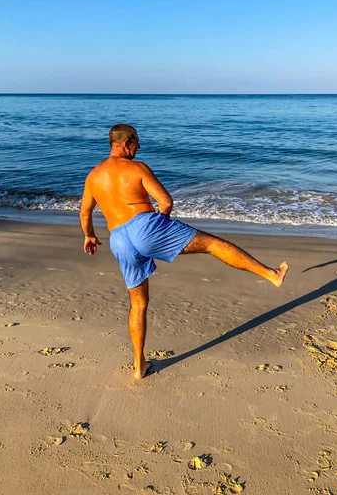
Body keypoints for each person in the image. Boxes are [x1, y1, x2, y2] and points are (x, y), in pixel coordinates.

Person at [80, 124, 288, 379]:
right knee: (213, 245)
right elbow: (166, 202)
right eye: (137, 142)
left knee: (138, 304)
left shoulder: (93, 176)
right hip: (145, 226)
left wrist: (89, 235)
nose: (140, 147)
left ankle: (138, 366)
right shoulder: (137, 168)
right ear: (127, 142)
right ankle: (271, 274)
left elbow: (85, 212)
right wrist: (159, 225)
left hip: (118, 239)